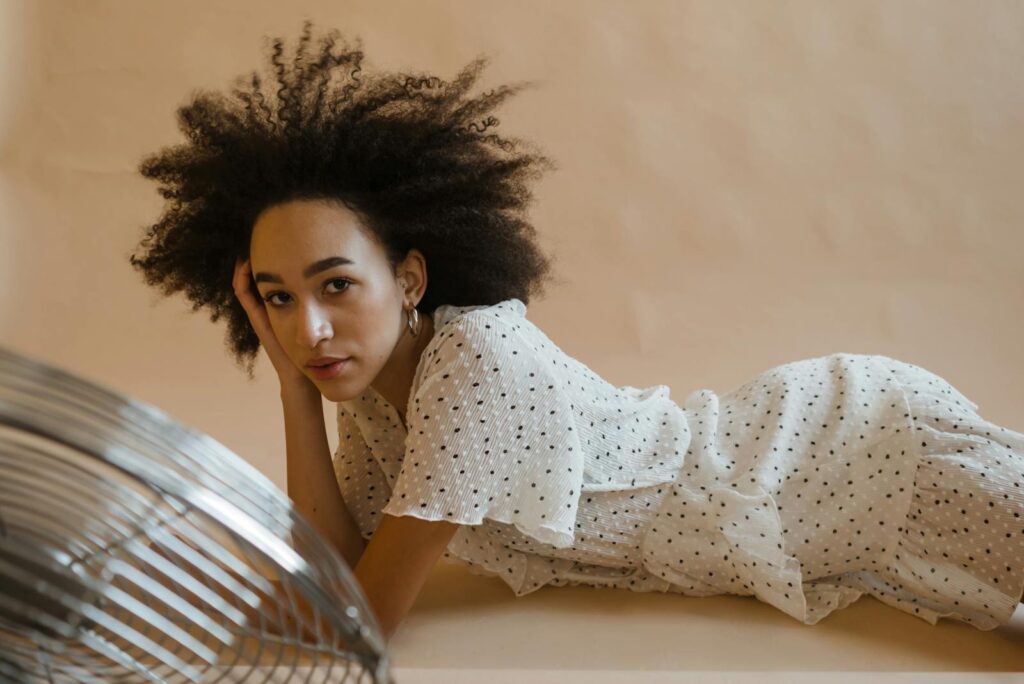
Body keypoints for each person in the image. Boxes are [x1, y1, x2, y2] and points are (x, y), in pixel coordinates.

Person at [128, 21, 1024, 642]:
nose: (309, 325)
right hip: (793, 520)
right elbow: (335, 567)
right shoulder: (371, 391)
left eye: (335, 284)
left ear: (409, 278)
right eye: (277, 299)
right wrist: (292, 387)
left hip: (822, 463)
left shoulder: (474, 364)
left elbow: (360, 619)